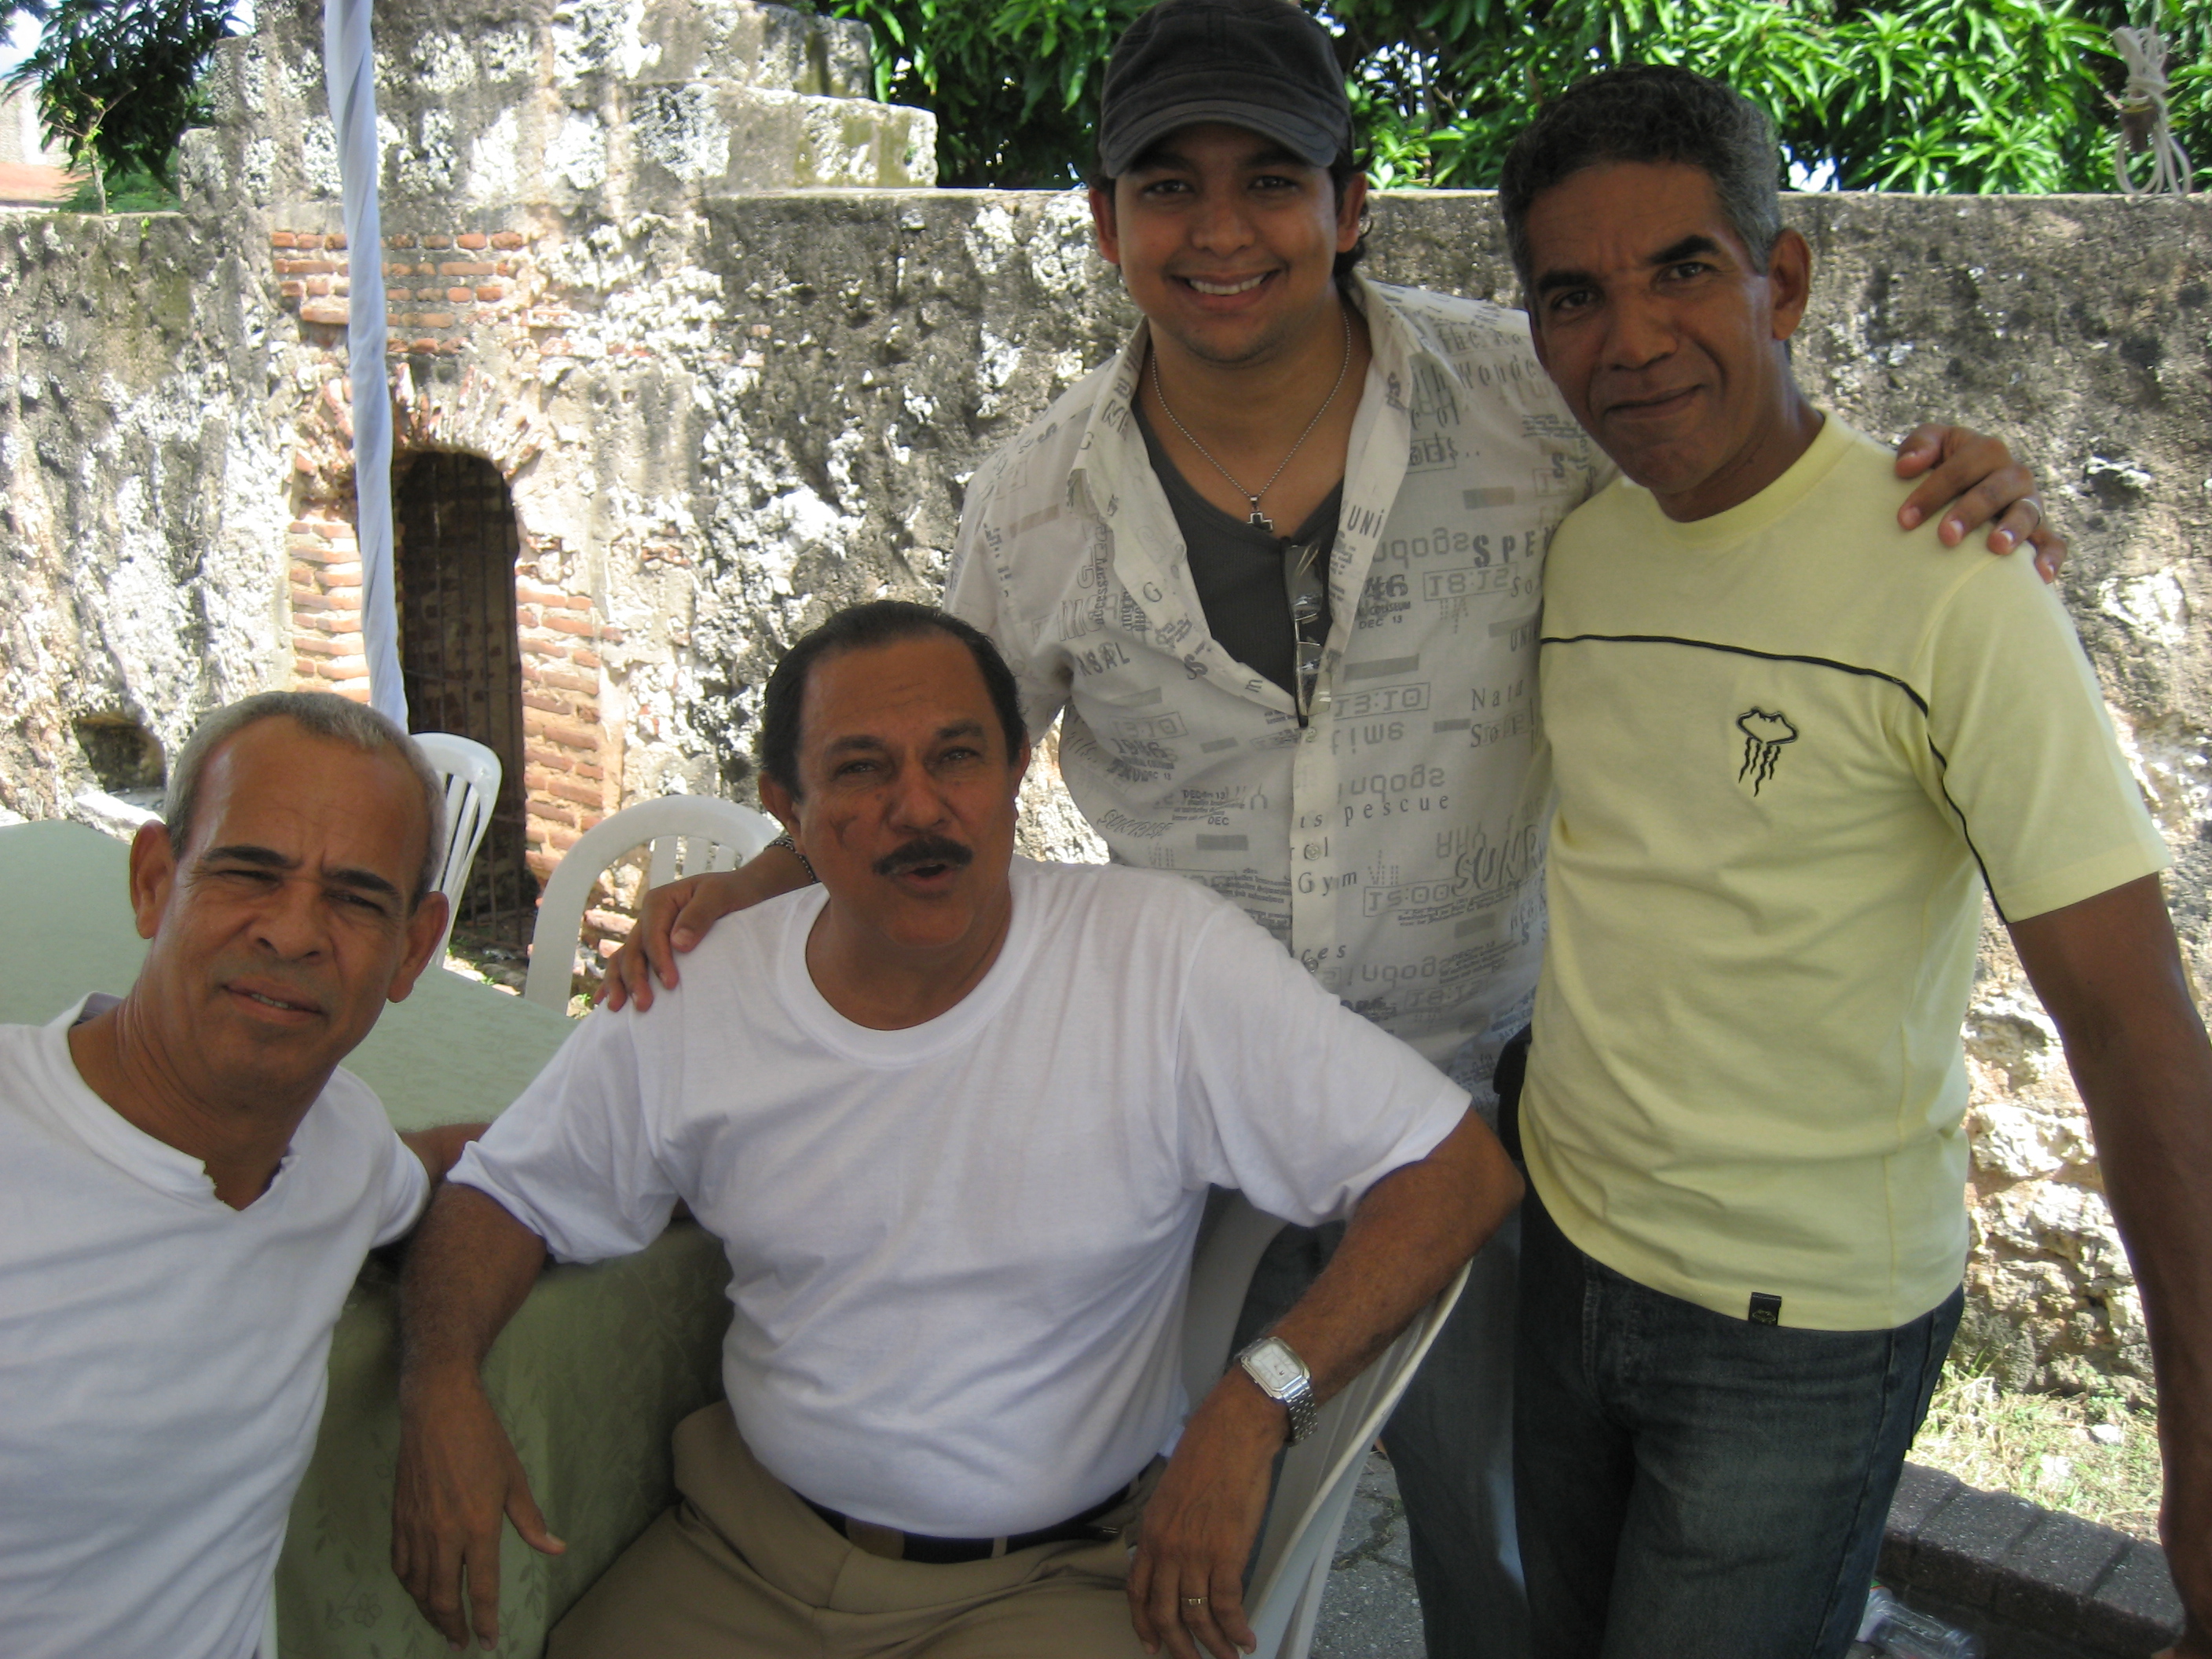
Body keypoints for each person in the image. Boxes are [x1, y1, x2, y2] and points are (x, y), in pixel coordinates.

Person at [601, 4, 2060, 1651]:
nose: (1220, 233)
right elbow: (943, 767)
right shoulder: (1030, 503)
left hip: (1472, 1122)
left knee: (1492, 1554)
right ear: (1104, 223)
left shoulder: (1529, 409)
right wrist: (755, 877)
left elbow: (1735, 451)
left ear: (1349, 204)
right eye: (1166, 187)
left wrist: (1943, 489)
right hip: (1176, 1120)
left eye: (1269, 180)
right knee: (1161, 1526)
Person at [388, 601, 1522, 1659]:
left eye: (958, 757)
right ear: (784, 809)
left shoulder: (1157, 961)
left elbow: (1455, 1172)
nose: (920, 807)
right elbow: (508, 1192)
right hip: (743, 1550)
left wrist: (1257, 1400)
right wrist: (439, 1381)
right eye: (861, 770)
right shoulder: (704, 991)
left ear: (1017, 772)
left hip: (1051, 1588)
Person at [1496, 65, 2212, 1659]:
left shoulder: (1956, 583)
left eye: (1682, 267)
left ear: (1785, 279)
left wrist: (2202, 1456)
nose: (1628, 338)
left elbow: (2133, 1028)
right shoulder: (1579, 545)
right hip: (1567, 1259)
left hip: (1794, 1331)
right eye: (1571, 295)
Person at [0, 691, 485, 1659]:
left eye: (355, 898)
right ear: (152, 883)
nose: (294, 931)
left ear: (415, 948)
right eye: (247, 871)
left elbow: (441, 1166)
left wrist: (675, 1167)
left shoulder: (338, 1141)